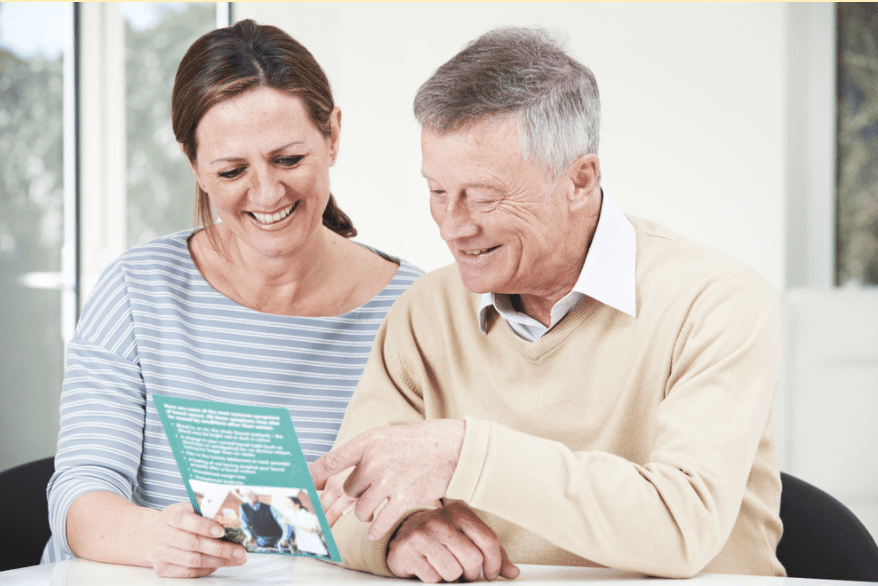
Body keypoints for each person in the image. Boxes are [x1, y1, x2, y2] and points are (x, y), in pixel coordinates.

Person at [310, 26, 784, 582]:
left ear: (580, 180)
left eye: (484, 197)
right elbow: (339, 500)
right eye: (438, 192)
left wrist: (468, 454)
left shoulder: (716, 303)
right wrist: (398, 535)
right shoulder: (424, 312)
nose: (454, 226)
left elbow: (683, 527)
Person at [41, 20, 422, 578]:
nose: (267, 193)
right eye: (232, 170)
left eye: (288, 159)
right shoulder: (136, 289)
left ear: (333, 135)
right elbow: (78, 490)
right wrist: (152, 538)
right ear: (193, 164)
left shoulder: (414, 308)